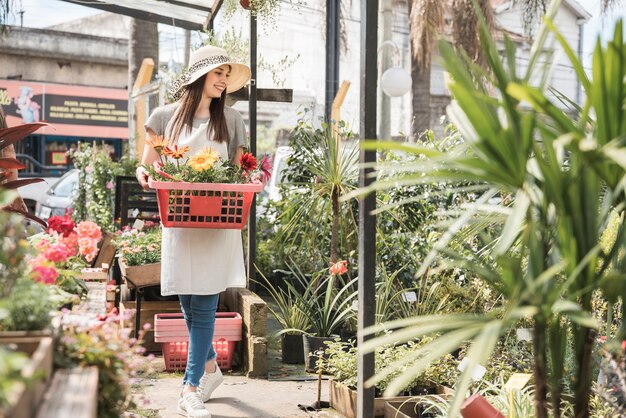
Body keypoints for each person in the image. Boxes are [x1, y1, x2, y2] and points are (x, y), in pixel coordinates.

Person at [136, 45, 251, 418]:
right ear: (200, 75)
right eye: (219, 73)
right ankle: (211, 367)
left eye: (226, 75)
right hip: (181, 219)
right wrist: (144, 173)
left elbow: (237, 171)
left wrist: (250, 176)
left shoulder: (231, 120)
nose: (223, 81)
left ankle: (190, 390)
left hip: (218, 222)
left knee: (203, 306)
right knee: (188, 301)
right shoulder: (163, 116)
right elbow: (149, 164)